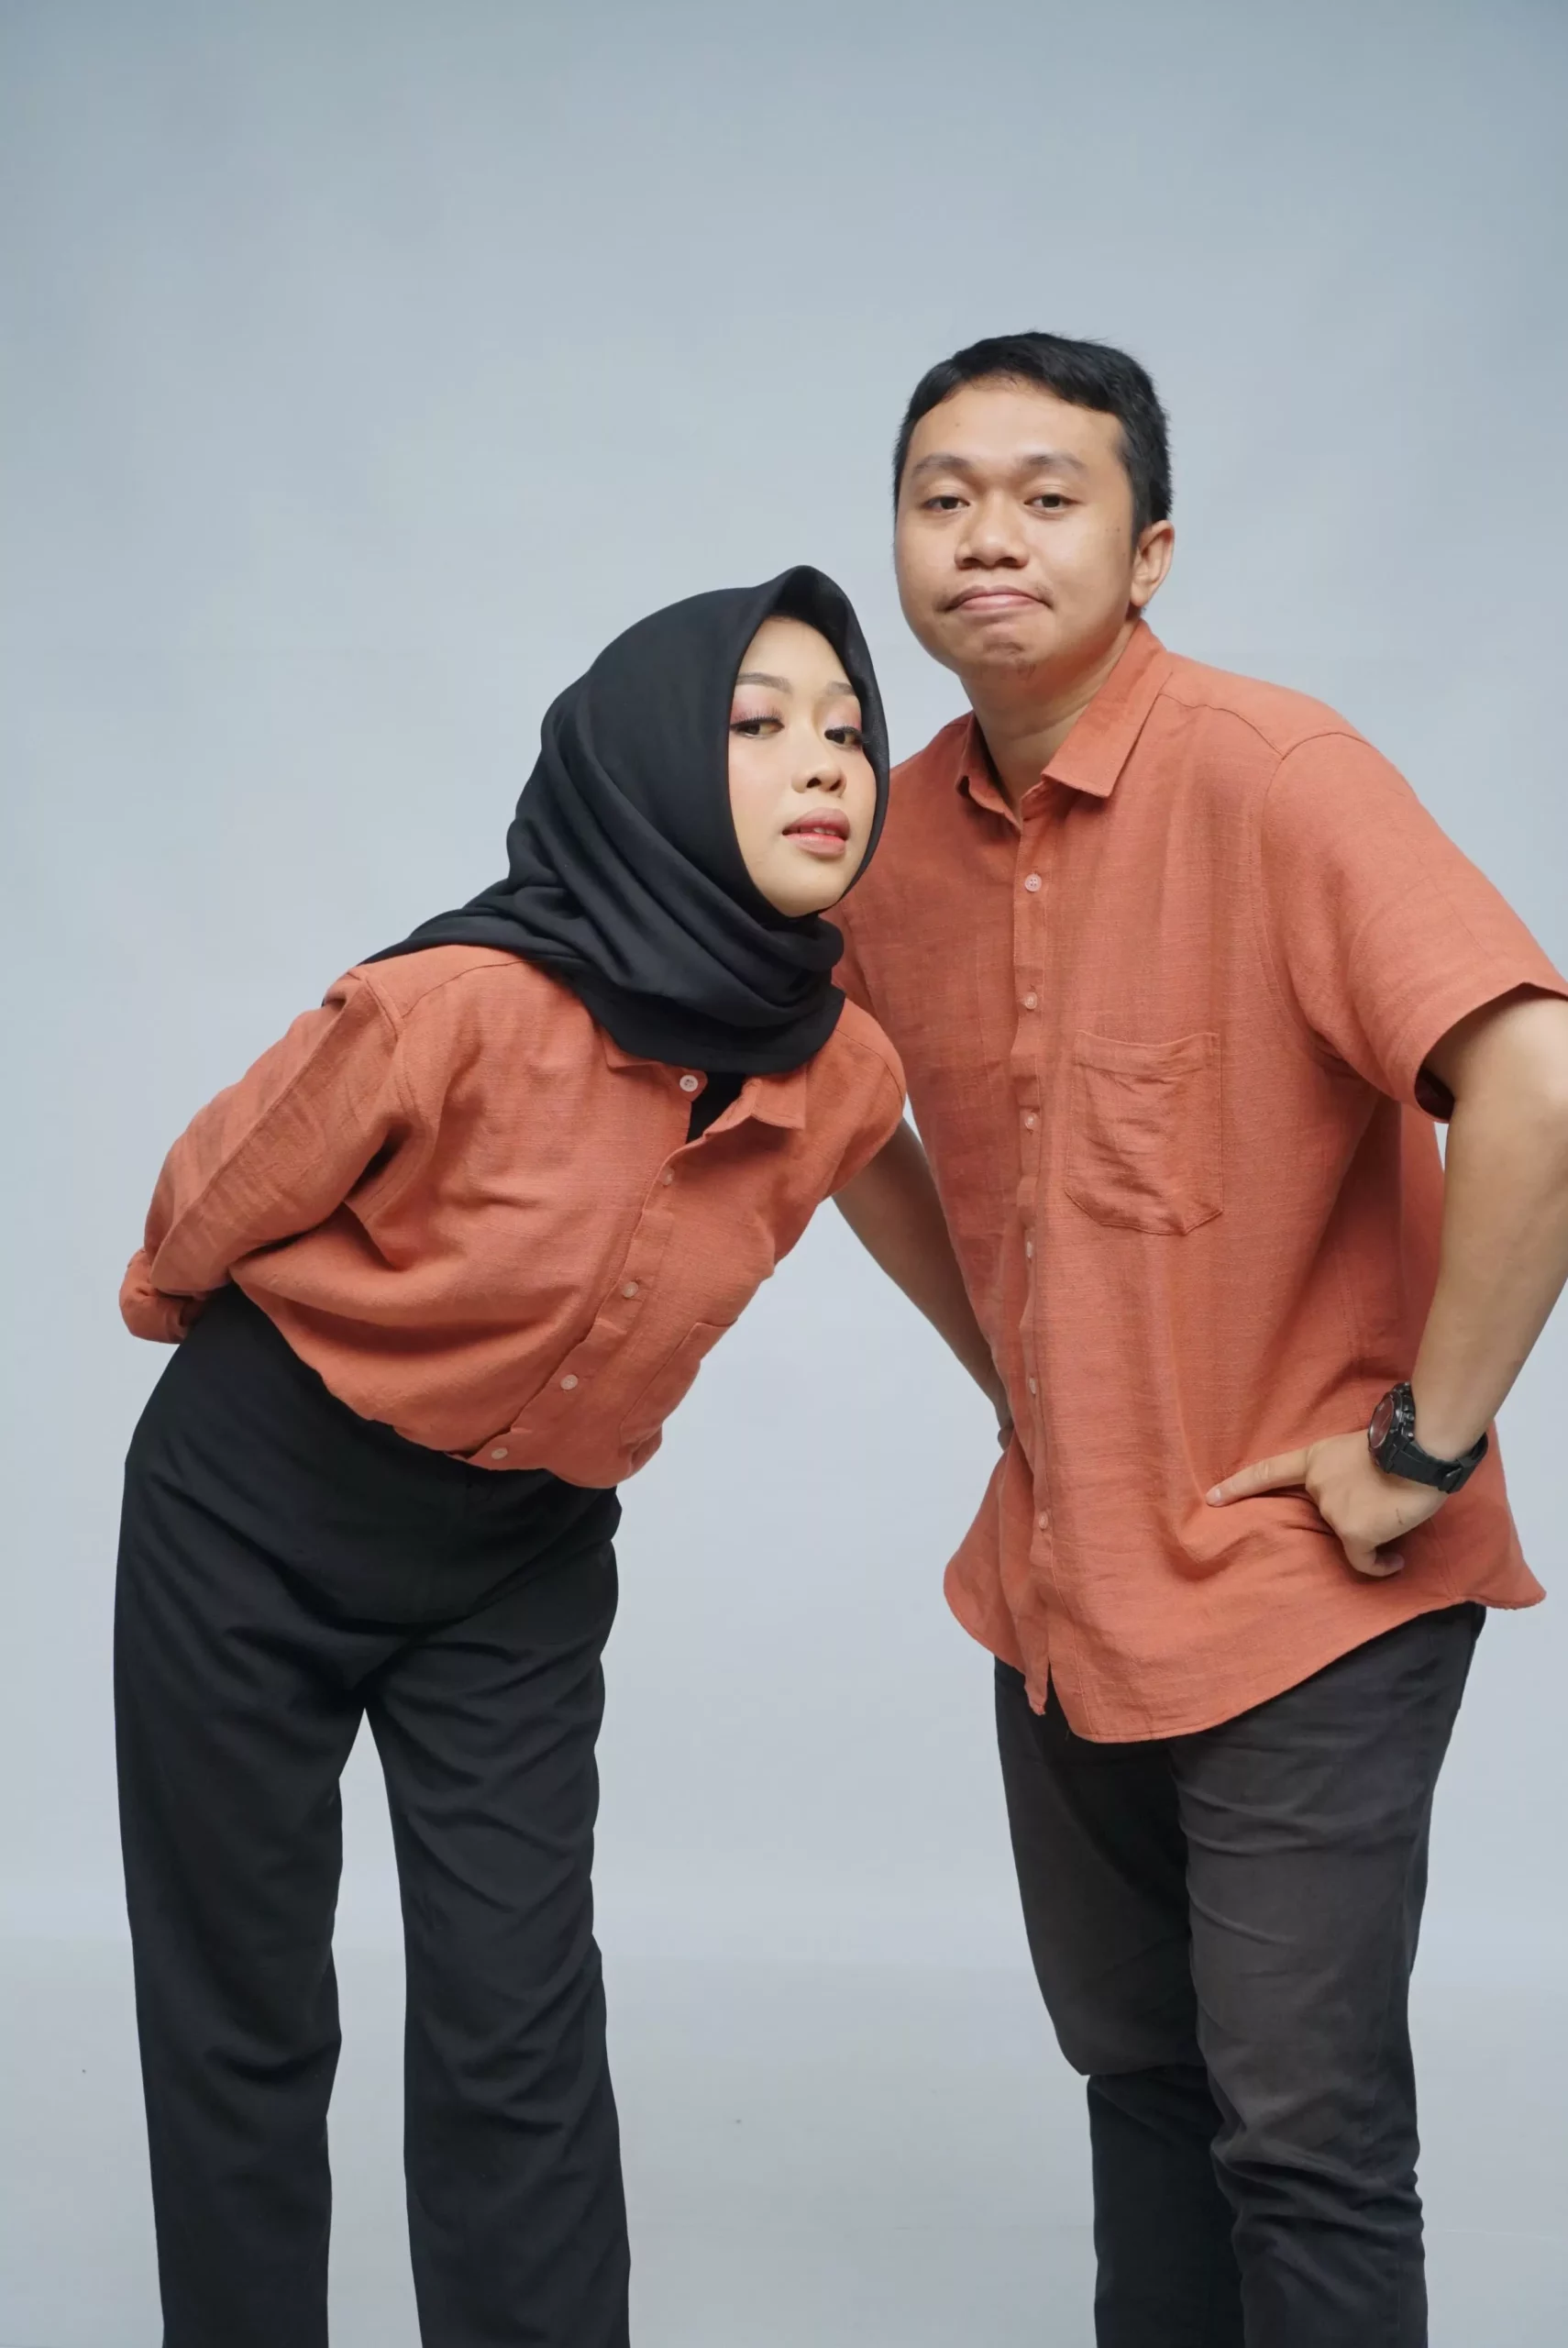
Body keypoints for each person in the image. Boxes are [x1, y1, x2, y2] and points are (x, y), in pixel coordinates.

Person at [830, 332, 1568, 2347]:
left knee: (1302, 2139)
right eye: (942, 495)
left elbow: (1537, 1083)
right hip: (1063, 1593)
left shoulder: (1272, 772)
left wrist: (1424, 1445)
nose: (987, 534)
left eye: (1046, 495)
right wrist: (1013, 1369)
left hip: (1304, 1590)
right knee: (1143, 2091)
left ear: (1149, 551)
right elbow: (831, 1105)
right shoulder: (887, 838)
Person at [114, 567, 902, 2348]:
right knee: (245, 2001)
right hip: (253, 1511)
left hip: (519, 1559)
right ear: (646, 763)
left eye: (849, 730)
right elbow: (204, 1209)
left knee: (517, 2013)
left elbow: (876, 1202)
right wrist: (291, 1388)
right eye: (759, 724)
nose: (822, 762)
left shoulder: (844, 1071)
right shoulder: (453, 1003)